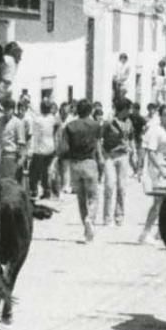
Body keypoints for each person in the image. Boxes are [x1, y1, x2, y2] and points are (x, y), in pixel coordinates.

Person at [60, 100, 103, 243]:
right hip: (90, 162)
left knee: (81, 198)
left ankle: (86, 231)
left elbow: (64, 148)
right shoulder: (95, 125)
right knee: (94, 197)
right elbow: (98, 146)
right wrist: (101, 162)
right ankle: (90, 219)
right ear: (90, 111)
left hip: (75, 164)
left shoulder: (70, 126)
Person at [138, 104, 166, 245]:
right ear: (160, 116)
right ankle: (146, 232)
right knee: (158, 203)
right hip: (157, 170)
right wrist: (161, 169)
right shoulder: (156, 131)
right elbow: (151, 152)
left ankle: (160, 232)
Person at [100, 100, 132, 225]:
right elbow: (99, 138)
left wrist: (132, 151)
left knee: (122, 187)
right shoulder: (109, 123)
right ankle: (107, 217)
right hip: (110, 156)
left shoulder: (129, 123)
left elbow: (130, 138)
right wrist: (101, 154)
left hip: (123, 155)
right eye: (128, 109)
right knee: (109, 186)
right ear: (123, 109)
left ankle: (119, 215)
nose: (129, 111)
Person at [27, 100, 59, 199]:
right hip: (50, 147)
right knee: (46, 171)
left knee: (33, 171)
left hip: (40, 149)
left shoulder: (38, 120)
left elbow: (35, 135)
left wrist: (32, 149)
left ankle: (34, 190)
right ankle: (47, 191)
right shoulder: (53, 118)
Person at [0, 95, 27, 181]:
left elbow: (21, 143)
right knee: (1, 183)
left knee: (10, 183)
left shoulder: (17, 123)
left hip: (12, 157)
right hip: (3, 156)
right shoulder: (1, 120)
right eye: (5, 109)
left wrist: (21, 160)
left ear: (13, 110)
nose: (6, 111)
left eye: (8, 109)